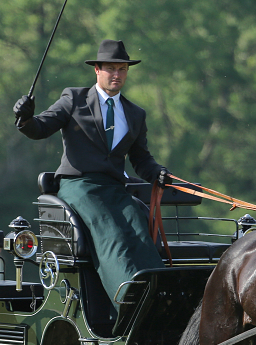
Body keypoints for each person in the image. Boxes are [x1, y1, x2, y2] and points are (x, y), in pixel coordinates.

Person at [13, 39, 170, 317]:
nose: (117, 75)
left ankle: (157, 294)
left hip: (114, 188)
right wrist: (26, 118)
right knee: (110, 229)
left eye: (122, 69)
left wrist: (157, 171)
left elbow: (141, 160)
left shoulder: (135, 114)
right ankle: (127, 298)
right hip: (78, 186)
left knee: (138, 225)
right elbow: (40, 128)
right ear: (97, 69)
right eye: (110, 68)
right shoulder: (73, 99)